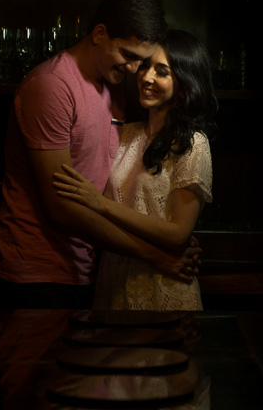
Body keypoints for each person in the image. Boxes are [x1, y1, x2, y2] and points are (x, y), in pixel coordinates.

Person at [0, 0, 200, 309]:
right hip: (34, 269)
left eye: (140, 60)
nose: (134, 69)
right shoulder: (52, 86)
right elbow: (61, 207)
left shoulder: (112, 82)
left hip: (87, 267)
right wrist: (154, 254)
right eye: (128, 55)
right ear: (100, 34)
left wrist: (171, 237)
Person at [52, 29, 217, 311]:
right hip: (112, 282)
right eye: (145, 66)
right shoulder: (125, 134)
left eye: (161, 72)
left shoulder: (192, 144)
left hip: (163, 286)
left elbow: (179, 234)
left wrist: (100, 204)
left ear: (184, 85)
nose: (147, 77)